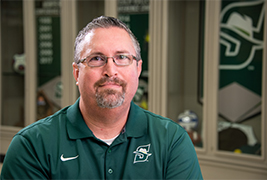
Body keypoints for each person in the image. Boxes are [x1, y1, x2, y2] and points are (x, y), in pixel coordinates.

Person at [0, 16, 203, 179]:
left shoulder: (172, 141)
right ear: (77, 73)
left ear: (138, 69)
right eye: (97, 58)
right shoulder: (32, 147)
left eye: (122, 57)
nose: (110, 70)